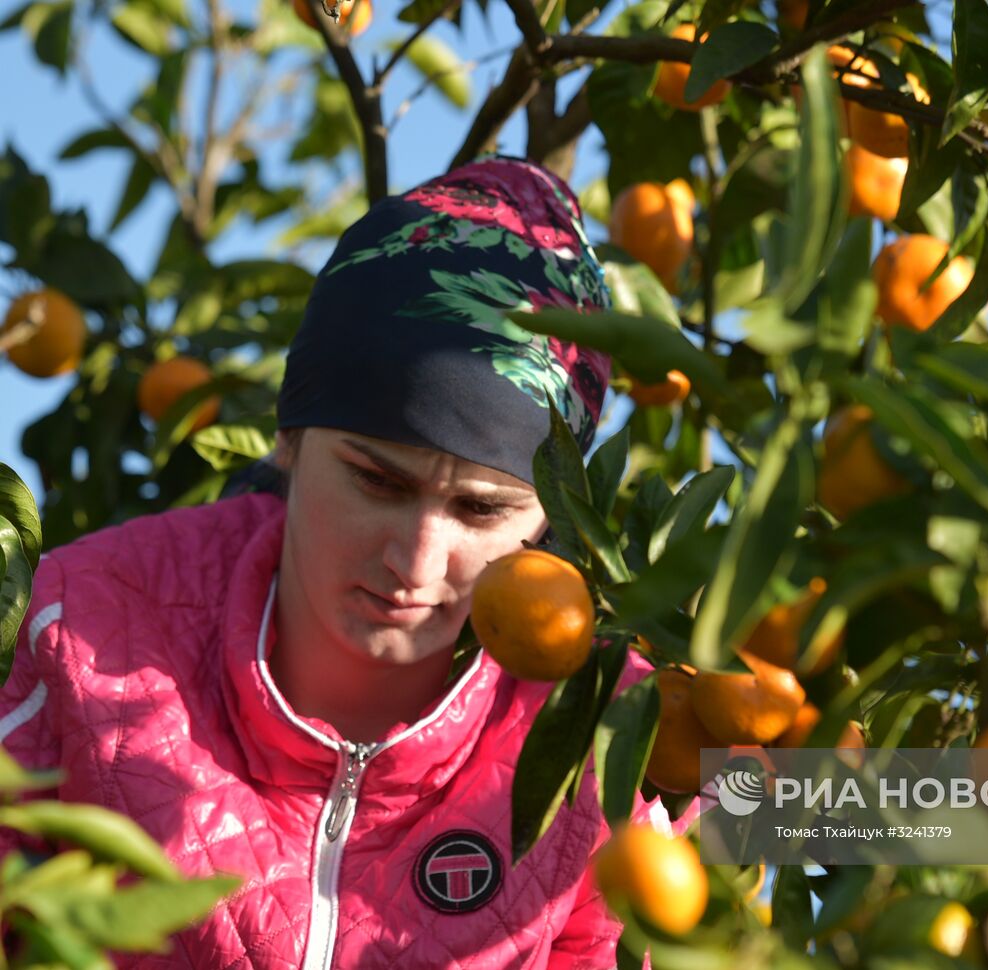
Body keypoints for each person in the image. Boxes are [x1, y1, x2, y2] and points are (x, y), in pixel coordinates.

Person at [0, 157, 686, 967]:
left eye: (481, 509)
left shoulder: (618, 730)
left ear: (550, 517)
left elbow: (859, 842)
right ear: (288, 437)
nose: (417, 560)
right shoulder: (76, 627)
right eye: (377, 481)